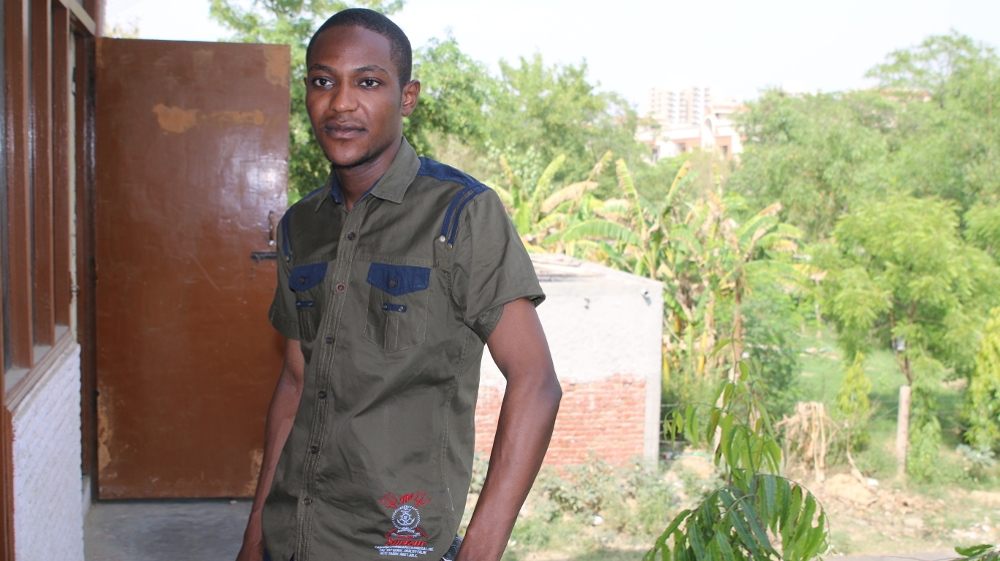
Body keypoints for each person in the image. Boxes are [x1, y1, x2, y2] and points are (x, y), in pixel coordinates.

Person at [235, 8, 561, 561]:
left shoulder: (461, 214)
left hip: (398, 542)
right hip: (293, 536)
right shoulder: (300, 226)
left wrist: (478, 553)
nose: (340, 102)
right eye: (322, 81)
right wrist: (255, 536)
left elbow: (536, 383)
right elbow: (295, 383)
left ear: (406, 98)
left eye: (367, 82)